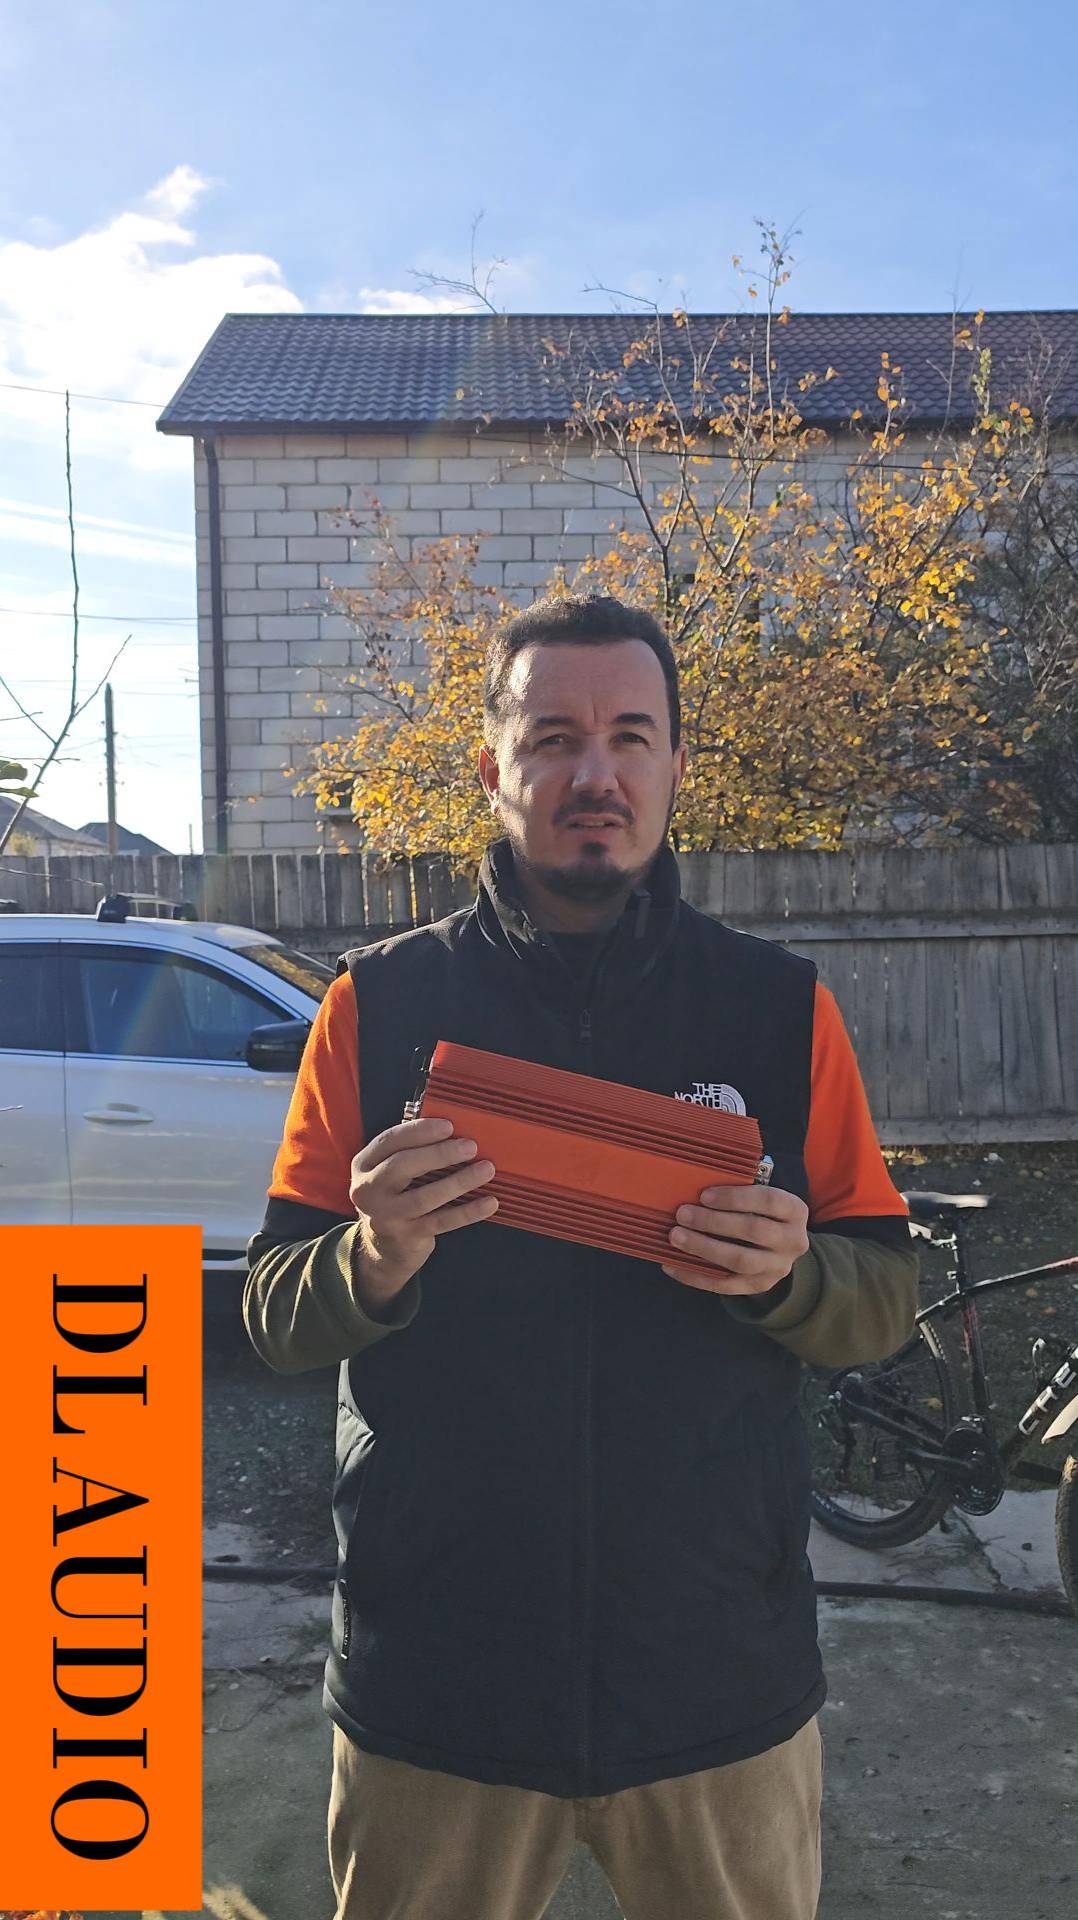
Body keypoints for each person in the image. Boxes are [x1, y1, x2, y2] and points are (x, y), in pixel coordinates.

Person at [244, 592, 918, 1920]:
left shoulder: (779, 1009)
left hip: (717, 1683)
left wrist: (791, 1278)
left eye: (628, 736)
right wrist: (375, 1256)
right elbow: (274, 1312)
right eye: (552, 737)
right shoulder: (377, 1006)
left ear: (674, 766)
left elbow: (881, 1298)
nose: (593, 774)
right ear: (491, 767)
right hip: (438, 1684)